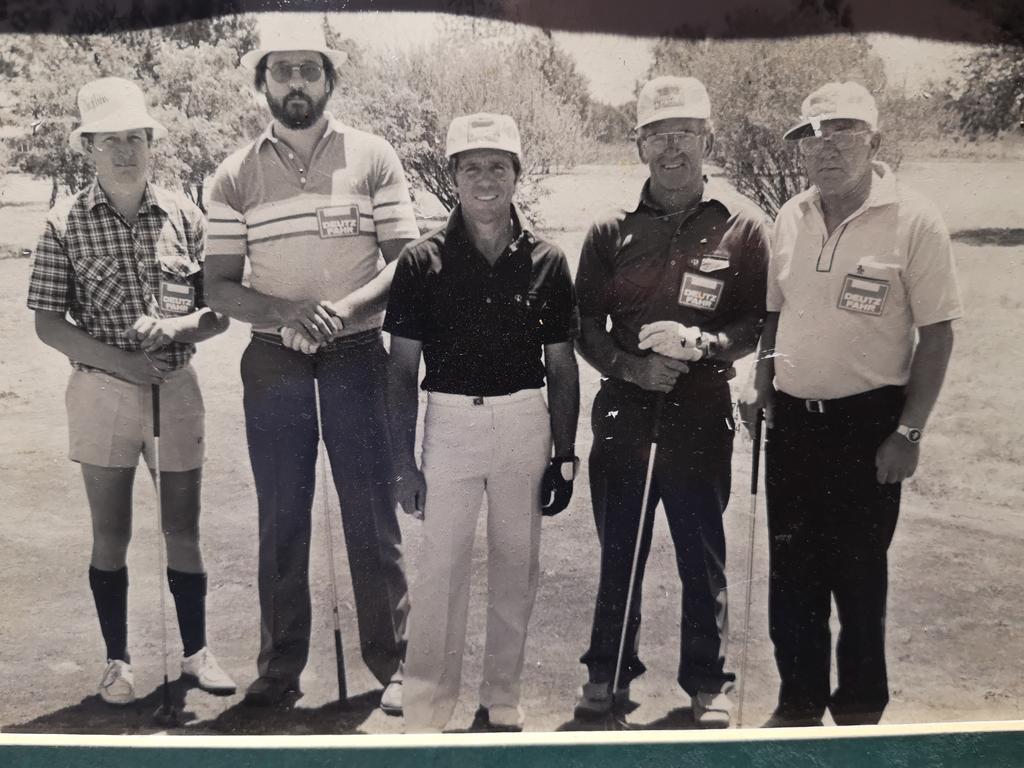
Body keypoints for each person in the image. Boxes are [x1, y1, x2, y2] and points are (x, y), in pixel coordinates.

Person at [204, 26, 418, 712]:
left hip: (358, 357)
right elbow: (219, 285)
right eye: (281, 71)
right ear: (262, 82)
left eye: (308, 70)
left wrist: (343, 308)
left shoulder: (373, 156)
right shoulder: (234, 173)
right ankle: (278, 669)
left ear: (330, 80)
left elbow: (404, 263)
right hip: (274, 361)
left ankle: (396, 663)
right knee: (282, 516)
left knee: (371, 514)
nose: (295, 83)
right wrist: (289, 313)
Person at [739, 81, 962, 727]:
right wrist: (761, 383)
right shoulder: (791, 216)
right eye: (813, 134)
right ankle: (799, 704)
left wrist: (909, 434)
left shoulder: (914, 219)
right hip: (793, 426)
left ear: (875, 140)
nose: (826, 145)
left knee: (859, 583)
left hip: (869, 426)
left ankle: (861, 713)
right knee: (793, 577)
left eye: (843, 130)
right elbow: (774, 319)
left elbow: (940, 332)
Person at [27, 77, 235, 705]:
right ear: (88, 148)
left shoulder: (184, 213)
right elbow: (46, 321)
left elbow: (218, 309)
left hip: (176, 386)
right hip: (99, 391)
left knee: (183, 529)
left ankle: (196, 653)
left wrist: (173, 328)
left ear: (152, 144)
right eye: (109, 139)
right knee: (110, 532)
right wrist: (121, 360)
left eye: (135, 138)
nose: (124, 151)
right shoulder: (63, 221)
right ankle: (117, 662)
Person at [573, 76, 770, 728]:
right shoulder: (609, 231)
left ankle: (706, 682)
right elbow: (583, 329)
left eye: (684, 131)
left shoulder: (742, 228)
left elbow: (755, 326)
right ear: (640, 145)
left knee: (701, 551)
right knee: (620, 549)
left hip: (701, 409)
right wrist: (632, 365)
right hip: (626, 410)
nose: (672, 146)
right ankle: (607, 671)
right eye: (658, 133)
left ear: (706, 138)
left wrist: (702, 343)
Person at [384, 113, 580, 732]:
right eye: (472, 166)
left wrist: (565, 454)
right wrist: (402, 464)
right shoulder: (421, 261)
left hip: (525, 420)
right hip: (449, 427)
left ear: (518, 174)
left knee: (516, 564)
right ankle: (426, 703)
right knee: (440, 568)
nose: (486, 179)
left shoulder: (548, 259)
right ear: (453, 177)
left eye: (499, 165)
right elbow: (400, 372)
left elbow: (562, 365)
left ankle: (502, 695)